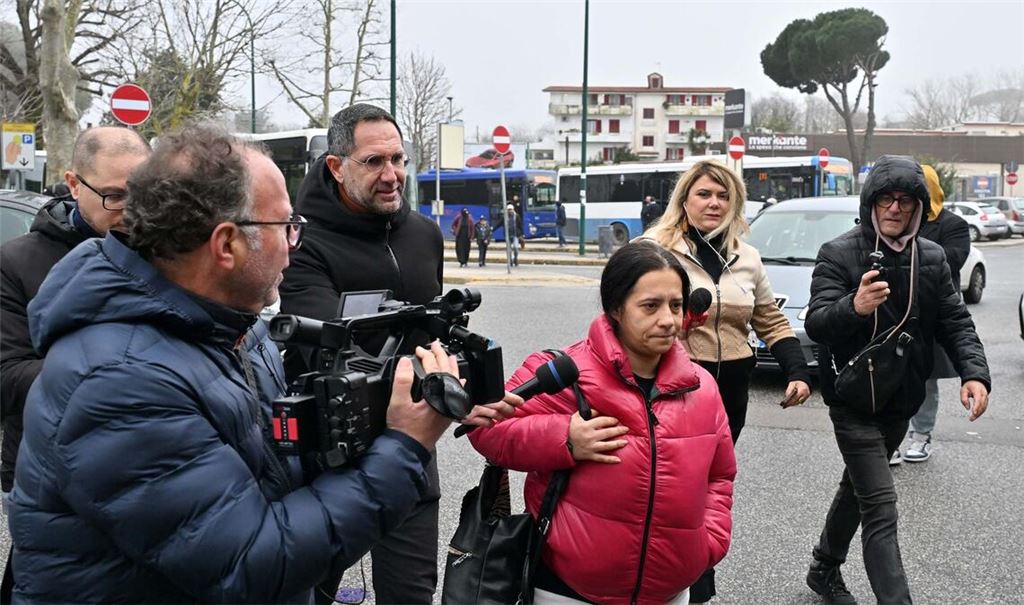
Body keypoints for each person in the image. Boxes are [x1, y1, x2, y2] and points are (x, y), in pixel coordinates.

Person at [5, 124, 467, 603]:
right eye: (286, 226)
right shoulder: (118, 381)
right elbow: (250, 565)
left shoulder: (236, 330)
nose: (294, 243)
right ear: (226, 245)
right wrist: (404, 446)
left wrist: (368, 419)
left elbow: (274, 474)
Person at [279, 103, 516, 604]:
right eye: (374, 162)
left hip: (410, 446)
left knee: (410, 595)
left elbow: (436, 336)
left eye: (399, 159)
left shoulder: (424, 236)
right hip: (327, 454)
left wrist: (463, 387)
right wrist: (442, 392)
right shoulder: (303, 243)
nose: (392, 175)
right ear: (336, 166)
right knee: (306, 593)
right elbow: (329, 353)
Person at [469, 240, 736, 605]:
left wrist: (708, 542)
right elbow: (488, 429)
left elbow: (720, 475)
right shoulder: (564, 373)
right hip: (567, 590)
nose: (668, 320)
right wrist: (564, 438)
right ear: (615, 308)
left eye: (676, 305)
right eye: (650, 306)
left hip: (671, 592)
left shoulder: (702, 387)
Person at [804, 154, 990, 605]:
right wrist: (856, 305)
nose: (895, 208)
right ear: (871, 203)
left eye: (906, 201)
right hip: (851, 399)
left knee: (859, 487)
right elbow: (817, 323)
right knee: (881, 506)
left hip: (900, 399)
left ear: (919, 208)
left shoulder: (932, 257)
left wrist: (975, 374)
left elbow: (956, 321)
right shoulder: (838, 252)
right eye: (886, 198)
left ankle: (823, 566)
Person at [646, 160, 811, 603]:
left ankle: (694, 569)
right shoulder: (655, 249)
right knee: (674, 484)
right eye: (704, 194)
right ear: (684, 199)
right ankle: (681, 580)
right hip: (674, 384)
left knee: (709, 483)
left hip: (732, 386)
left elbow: (770, 319)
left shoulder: (746, 256)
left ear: (735, 202)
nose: (714, 203)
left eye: (723, 196)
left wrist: (797, 371)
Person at [1, 126, 151, 501]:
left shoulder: (168, 252)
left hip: (147, 466)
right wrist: (127, 376)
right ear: (73, 184)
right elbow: (6, 376)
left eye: (144, 195)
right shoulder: (16, 262)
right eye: (114, 196)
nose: (131, 211)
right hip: (46, 473)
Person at [890, 164, 971, 465]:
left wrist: (909, 247)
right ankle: (893, 438)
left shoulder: (954, 225)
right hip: (897, 311)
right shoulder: (898, 219)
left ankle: (921, 436)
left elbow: (952, 260)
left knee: (925, 380)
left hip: (933, 316)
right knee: (892, 377)